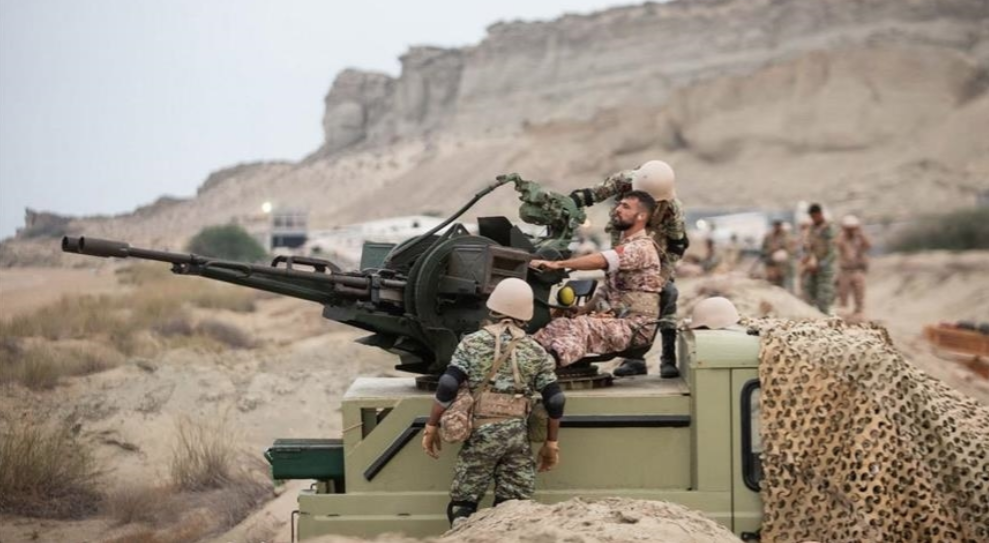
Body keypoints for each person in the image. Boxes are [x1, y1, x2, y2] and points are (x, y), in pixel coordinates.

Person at [421, 278, 566, 525]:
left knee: (464, 503)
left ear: (493, 306)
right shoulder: (535, 350)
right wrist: (551, 443)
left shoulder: (471, 343)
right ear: (527, 313)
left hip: (480, 435)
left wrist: (431, 426)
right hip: (517, 437)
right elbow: (555, 399)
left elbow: (448, 385)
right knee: (513, 507)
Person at [568, 160, 686, 378]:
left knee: (669, 295)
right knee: (622, 295)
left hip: (657, 253)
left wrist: (661, 277)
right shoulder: (624, 181)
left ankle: (668, 359)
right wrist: (568, 204)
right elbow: (593, 194)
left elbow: (677, 245)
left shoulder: (672, 208)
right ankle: (634, 360)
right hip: (623, 243)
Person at [530, 191, 664, 368]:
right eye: (618, 204)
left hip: (634, 329)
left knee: (581, 327)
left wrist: (557, 264)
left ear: (641, 216)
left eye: (625, 207)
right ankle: (526, 357)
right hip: (618, 322)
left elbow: (603, 260)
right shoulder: (627, 246)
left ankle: (542, 369)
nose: (617, 209)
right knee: (560, 325)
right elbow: (606, 290)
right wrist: (584, 309)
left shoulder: (641, 248)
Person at [802, 203, 836, 314]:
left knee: (824, 296)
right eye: (811, 217)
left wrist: (824, 262)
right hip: (813, 265)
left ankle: (825, 317)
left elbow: (833, 250)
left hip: (825, 268)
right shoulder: (812, 228)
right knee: (809, 292)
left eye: (814, 216)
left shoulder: (828, 228)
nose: (813, 219)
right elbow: (809, 245)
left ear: (820, 214)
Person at [835, 215, 871, 318]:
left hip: (857, 270)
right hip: (845, 271)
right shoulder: (842, 238)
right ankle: (843, 316)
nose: (850, 231)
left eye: (852, 228)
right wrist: (843, 233)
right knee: (843, 296)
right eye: (848, 228)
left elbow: (868, 245)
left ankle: (859, 314)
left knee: (859, 296)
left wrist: (860, 233)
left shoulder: (859, 238)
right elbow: (837, 243)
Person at [761, 220, 795, 288]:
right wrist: (770, 250)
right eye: (775, 226)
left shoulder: (786, 235)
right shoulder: (768, 236)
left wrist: (780, 249)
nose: (777, 228)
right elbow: (763, 249)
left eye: (778, 226)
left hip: (783, 261)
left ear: (781, 226)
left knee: (782, 278)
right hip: (771, 261)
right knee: (772, 279)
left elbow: (790, 248)